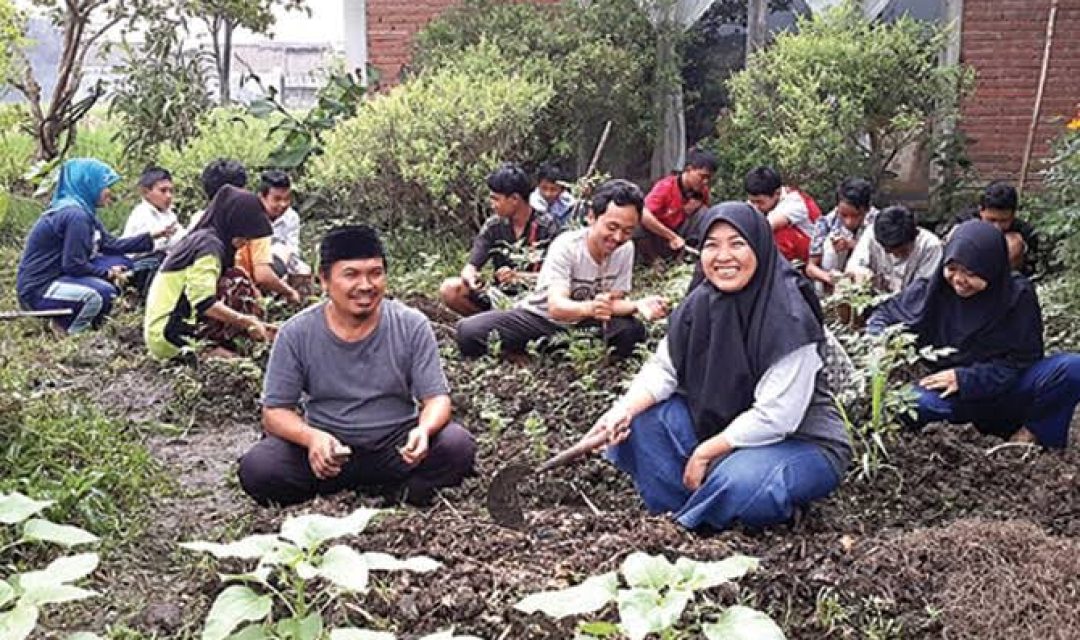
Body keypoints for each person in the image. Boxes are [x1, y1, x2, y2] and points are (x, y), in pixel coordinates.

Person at [588, 202, 850, 531]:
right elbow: (663, 369)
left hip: (799, 439)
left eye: (737, 244)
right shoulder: (699, 302)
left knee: (744, 482)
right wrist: (622, 411)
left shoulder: (789, 314)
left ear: (759, 246)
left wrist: (704, 453)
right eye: (711, 245)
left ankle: (694, 520)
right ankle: (683, 515)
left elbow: (777, 415)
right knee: (640, 421)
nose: (723, 256)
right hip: (723, 428)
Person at [238, 225, 477, 506]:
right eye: (351, 274)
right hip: (329, 452)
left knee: (456, 446)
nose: (365, 285)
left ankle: (396, 496)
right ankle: (338, 496)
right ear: (324, 280)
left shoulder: (411, 324)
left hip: (397, 448)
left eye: (375, 273)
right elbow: (275, 411)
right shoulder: (296, 332)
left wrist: (423, 431)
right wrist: (311, 438)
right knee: (259, 468)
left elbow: (436, 398)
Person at [867, 220, 1080, 448]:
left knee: (1071, 368)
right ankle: (959, 441)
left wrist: (967, 378)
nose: (959, 280)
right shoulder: (930, 292)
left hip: (1006, 392)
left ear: (992, 268)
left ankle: (1030, 436)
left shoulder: (1017, 297)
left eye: (970, 273)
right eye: (952, 268)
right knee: (916, 403)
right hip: (953, 398)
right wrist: (880, 344)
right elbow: (883, 315)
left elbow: (1023, 361)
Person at [456, 179, 669, 359]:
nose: (618, 237)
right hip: (542, 319)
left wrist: (637, 305)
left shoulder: (625, 249)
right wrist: (593, 308)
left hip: (586, 324)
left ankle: (555, 351)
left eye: (628, 231)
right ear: (591, 217)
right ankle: (540, 350)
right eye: (612, 227)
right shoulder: (567, 246)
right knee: (469, 331)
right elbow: (557, 307)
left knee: (632, 331)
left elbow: (612, 304)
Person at [16, 158, 169, 334]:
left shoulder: (84, 211)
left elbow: (110, 244)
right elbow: (74, 264)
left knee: (124, 263)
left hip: (61, 274)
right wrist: (107, 274)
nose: (108, 192)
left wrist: (152, 237)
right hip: (40, 288)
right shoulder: (75, 216)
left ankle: (88, 308)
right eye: (105, 186)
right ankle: (70, 330)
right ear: (89, 183)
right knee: (102, 293)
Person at [144, 185, 278, 360]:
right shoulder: (208, 247)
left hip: (176, 322)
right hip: (168, 333)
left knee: (235, 275)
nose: (244, 243)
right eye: (243, 237)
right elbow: (203, 302)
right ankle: (208, 349)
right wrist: (246, 321)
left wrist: (259, 324)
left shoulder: (206, 239)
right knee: (236, 282)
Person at [439, 163, 561, 317]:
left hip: (536, 300)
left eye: (496, 199)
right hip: (499, 297)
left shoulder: (548, 226)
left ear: (515, 199)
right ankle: (488, 325)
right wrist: (472, 278)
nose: (493, 205)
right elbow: (471, 266)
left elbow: (558, 279)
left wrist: (519, 277)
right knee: (450, 289)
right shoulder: (494, 225)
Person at [635, 150, 717, 264]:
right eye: (702, 176)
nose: (705, 182)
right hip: (658, 237)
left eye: (708, 178)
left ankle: (686, 259)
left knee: (705, 214)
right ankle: (653, 261)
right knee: (637, 221)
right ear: (689, 169)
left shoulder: (703, 191)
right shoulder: (666, 186)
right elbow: (643, 214)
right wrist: (671, 236)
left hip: (681, 238)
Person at [845, 205, 942, 294]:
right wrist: (862, 273)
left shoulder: (930, 246)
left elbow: (922, 291)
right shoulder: (872, 233)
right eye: (885, 248)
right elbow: (853, 266)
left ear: (913, 238)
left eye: (898, 250)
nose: (889, 253)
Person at [805, 177, 878, 292]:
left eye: (856, 216)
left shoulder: (878, 223)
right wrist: (832, 279)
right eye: (843, 215)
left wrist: (853, 245)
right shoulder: (826, 223)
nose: (849, 222)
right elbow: (811, 267)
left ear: (866, 209)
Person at [950, 181, 1039, 275]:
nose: (997, 227)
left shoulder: (1024, 232)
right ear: (981, 211)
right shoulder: (963, 223)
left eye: (1003, 221)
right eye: (991, 220)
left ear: (1013, 215)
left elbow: (1032, 267)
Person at [121, 165, 184, 295]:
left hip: (158, 263)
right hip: (136, 266)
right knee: (161, 258)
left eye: (171, 191)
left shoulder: (169, 214)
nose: (169, 196)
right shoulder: (142, 214)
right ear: (145, 192)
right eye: (163, 191)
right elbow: (147, 247)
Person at [744, 166, 821, 264]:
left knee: (777, 235)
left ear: (777, 193)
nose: (755, 207)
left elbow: (768, 225)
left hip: (813, 253)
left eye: (759, 202)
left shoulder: (795, 202)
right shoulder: (758, 202)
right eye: (752, 201)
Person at [257, 170, 312, 296]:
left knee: (304, 271)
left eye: (286, 199)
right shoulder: (251, 213)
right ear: (262, 197)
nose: (282, 204)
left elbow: (292, 249)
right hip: (257, 262)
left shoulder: (291, 217)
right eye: (276, 199)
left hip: (283, 261)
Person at [529, 163, 576, 228]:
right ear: (538, 185)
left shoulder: (569, 204)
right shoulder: (530, 204)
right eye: (544, 188)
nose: (548, 194)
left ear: (562, 190)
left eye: (553, 189)